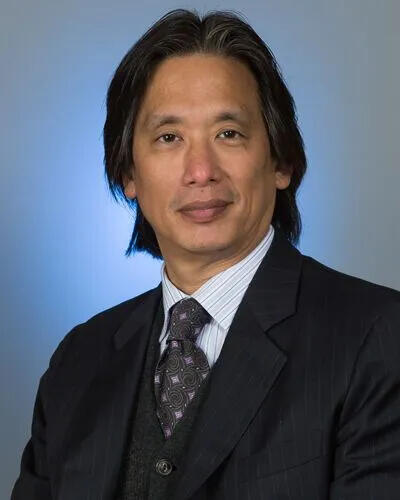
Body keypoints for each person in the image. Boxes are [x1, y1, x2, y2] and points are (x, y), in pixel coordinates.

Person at [12, 8, 400, 500]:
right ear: (129, 175)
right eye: (169, 138)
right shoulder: (79, 360)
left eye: (228, 133)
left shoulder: (376, 337)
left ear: (280, 161)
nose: (200, 170)